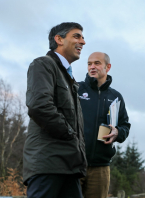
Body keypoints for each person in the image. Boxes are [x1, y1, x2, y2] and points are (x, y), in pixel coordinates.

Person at [24, 22, 87, 198]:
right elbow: (39, 106)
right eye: (77, 36)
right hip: (48, 165)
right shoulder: (43, 64)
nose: (83, 41)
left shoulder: (70, 79)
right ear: (58, 39)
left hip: (69, 166)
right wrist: (70, 134)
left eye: (82, 37)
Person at [78, 52, 131, 198]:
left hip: (101, 167)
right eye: (89, 64)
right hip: (74, 164)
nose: (92, 67)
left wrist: (117, 133)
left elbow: (125, 126)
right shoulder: (76, 89)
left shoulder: (116, 97)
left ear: (108, 67)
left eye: (97, 63)